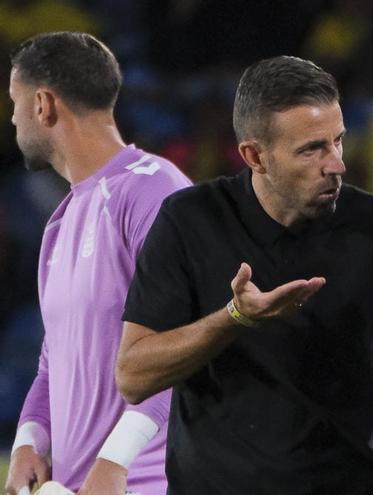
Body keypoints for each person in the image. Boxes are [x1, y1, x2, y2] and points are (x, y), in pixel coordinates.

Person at [114, 56, 373, 494]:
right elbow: (134, 376)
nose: (336, 164)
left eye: (338, 141)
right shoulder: (191, 220)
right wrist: (234, 317)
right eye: (311, 149)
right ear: (254, 155)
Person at [3, 32, 191, 495]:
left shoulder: (154, 189)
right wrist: (31, 438)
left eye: (14, 101)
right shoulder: (61, 222)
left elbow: (190, 343)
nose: (10, 117)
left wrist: (115, 460)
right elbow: (55, 357)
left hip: (148, 483)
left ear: (43, 104)